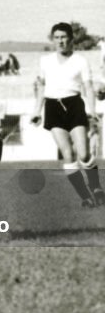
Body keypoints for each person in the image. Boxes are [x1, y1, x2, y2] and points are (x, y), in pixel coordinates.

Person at [31, 22, 103, 207]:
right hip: (53, 107)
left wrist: (92, 109)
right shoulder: (45, 61)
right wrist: (36, 111)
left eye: (64, 37)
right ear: (52, 39)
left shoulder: (80, 60)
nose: (60, 41)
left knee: (84, 153)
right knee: (68, 154)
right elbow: (41, 87)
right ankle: (86, 197)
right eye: (57, 37)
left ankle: (96, 188)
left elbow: (87, 86)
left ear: (71, 39)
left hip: (74, 105)